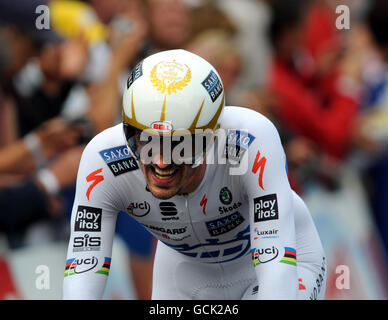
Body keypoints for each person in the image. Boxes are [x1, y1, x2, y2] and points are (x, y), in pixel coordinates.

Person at [62, 49, 326, 300]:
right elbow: (84, 269)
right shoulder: (103, 160)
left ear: (211, 138)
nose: (162, 162)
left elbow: (275, 268)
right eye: (146, 142)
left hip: (279, 262)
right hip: (187, 275)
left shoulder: (250, 140)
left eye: (180, 145)